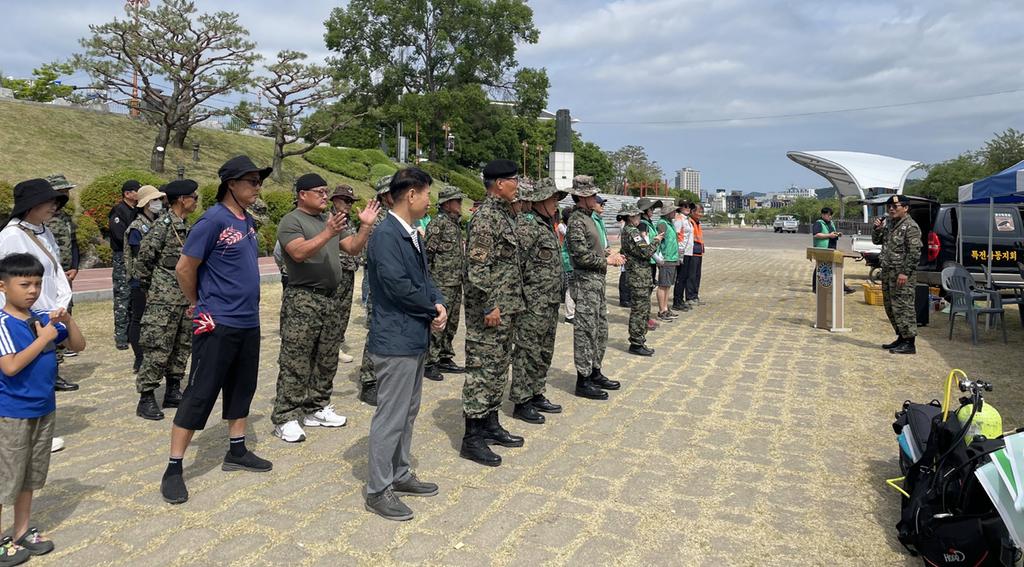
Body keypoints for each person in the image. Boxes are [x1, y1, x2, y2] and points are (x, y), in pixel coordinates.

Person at [160, 156, 273, 505]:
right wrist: (198, 302)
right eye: (251, 181)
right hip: (217, 321)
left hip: (247, 321)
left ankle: (236, 451)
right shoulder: (212, 221)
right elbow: (184, 267)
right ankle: (175, 466)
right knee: (201, 390)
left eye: (258, 181)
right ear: (231, 185)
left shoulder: (247, 221)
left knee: (242, 386)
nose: (257, 187)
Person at [363, 167, 445, 521]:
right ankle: (378, 489)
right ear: (410, 194)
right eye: (427, 193)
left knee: (407, 413)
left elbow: (424, 279)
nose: (430, 201)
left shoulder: (411, 233)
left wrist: (437, 301)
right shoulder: (385, 235)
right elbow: (396, 285)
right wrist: (431, 308)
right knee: (391, 416)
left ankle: (400, 472)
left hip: (413, 336)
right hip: (395, 339)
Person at [270, 174, 377, 443]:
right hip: (303, 298)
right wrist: (328, 232)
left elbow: (351, 248)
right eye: (319, 191)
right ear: (302, 194)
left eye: (326, 191)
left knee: (327, 357)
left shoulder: (326, 220)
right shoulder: (292, 221)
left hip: (331, 298)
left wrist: (364, 227)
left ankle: (316, 407)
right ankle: (286, 416)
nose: (324, 196)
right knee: (296, 359)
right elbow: (297, 253)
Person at [0, 253, 85, 563]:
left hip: (43, 409)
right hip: (11, 414)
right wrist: (44, 339)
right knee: (5, 479)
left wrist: (66, 321)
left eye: (37, 283)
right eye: (24, 284)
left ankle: (21, 531)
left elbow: (77, 346)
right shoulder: (3, 324)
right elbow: (9, 367)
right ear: (3, 287)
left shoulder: (39, 318)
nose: (32, 290)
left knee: (30, 477)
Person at [459, 159, 526, 467]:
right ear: (499, 183)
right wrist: (490, 304)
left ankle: (490, 423)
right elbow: (478, 266)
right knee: (481, 369)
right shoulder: (486, 217)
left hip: (506, 307)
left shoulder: (504, 215)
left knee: (498, 367)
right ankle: (472, 437)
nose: (518, 184)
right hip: (490, 310)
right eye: (515, 180)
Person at [0, 179, 75, 404]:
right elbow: (7, 282)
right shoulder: (12, 236)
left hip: (46, 313)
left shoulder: (43, 231)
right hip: (24, 318)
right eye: (48, 201)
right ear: (31, 205)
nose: (54, 206)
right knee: (25, 373)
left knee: (44, 369)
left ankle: (41, 425)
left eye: (55, 202)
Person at [133, 180, 199, 420]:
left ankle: (173, 389)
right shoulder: (163, 225)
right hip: (163, 299)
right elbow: (144, 261)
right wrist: (152, 289)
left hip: (184, 297)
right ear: (183, 199)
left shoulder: (185, 225)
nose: (196, 201)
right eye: (194, 197)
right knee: (157, 347)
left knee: (182, 346)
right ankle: (147, 397)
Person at [509, 178, 566, 424]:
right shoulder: (527, 226)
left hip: (549, 301)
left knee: (544, 351)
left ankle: (536, 392)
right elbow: (516, 267)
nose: (556, 204)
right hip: (532, 303)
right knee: (527, 351)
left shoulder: (546, 225)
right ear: (540, 201)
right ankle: (521, 401)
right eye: (553, 199)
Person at [566, 175, 622, 400]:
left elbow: (592, 249)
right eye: (591, 195)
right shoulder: (577, 221)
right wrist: (606, 261)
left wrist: (607, 253)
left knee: (600, 330)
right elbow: (580, 256)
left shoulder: (590, 219)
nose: (595, 198)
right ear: (582, 198)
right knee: (585, 332)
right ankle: (583, 379)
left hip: (596, 283)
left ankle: (595, 371)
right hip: (586, 282)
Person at [356, 176, 395, 407]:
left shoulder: (395, 217)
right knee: (376, 330)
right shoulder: (377, 220)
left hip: (393, 284)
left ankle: (383, 377)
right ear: (384, 195)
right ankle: (369, 381)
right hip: (378, 283)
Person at [42, 176, 81, 391]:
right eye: (62, 190)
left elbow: (73, 244)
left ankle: (56, 369)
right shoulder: (42, 220)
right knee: (52, 321)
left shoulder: (65, 217)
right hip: (49, 278)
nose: (66, 194)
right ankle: (52, 373)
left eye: (67, 190)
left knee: (64, 318)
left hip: (66, 277)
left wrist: (75, 266)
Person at [424, 185, 467, 381]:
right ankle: (429, 361)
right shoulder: (438, 224)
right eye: (457, 201)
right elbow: (427, 256)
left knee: (452, 322)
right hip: (440, 283)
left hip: (455, 282)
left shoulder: (455, 224)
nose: (460, 204)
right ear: (447, 204)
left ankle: (444, 356)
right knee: (438, 323)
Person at [872, 195, 922, 355]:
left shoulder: (910, 226)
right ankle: (901, 337)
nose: (891, 209)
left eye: (895, 206)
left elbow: (914, 253)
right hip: (888, 272)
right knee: (891, 307)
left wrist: (905, 273)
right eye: (889, 207)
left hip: (901, 275)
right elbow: (877, 241)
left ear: (906, 208)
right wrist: (877, 228)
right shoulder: (891, 225)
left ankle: (909, 342)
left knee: (903, 307)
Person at [125, 185, 166, 373]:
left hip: (157, 279)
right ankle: (139, 357)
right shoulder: (136, 227)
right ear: (145, 204)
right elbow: (139, 254)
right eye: (154, 200)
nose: (158, 203)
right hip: (140, 279)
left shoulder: (159, 223)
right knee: (138, 318)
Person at [619, 202, 662, 356]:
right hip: (639, 277)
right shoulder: (633, 232)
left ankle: (639, 340)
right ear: (630, 217)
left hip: (638, 275)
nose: (639, 217)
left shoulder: (628, 231)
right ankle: (636, 342)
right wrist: (656, 240)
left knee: (642, 309)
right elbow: (645, 252)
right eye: (636, 215)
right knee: (640, 310)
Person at [109, 180, 140, 351]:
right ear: (127, 194)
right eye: (136, 191)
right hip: (122, 257)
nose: (138, 194)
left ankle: (130, 332)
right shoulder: (118, 211)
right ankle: (121, 336)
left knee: (133, 296)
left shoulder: (136, 211)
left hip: (133, 257)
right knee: (122, 297)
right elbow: (120, 235)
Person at [330, 185, 360, 364]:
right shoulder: (330, 220)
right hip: (336, 271)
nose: (349, 204)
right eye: (346, 200)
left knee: (344, 311)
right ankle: (333, 346)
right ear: (334, 200)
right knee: (334, 310)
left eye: (351, 201)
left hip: (349, 270)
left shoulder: (348, 220)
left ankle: (337, 343)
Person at [811, 207, 854, 294]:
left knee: (836, 266)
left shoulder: (831, 223)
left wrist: (837, 234)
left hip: (831, 247)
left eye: (831, 215)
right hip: (822, 249)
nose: (830, 217)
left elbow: (832, 233)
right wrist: (829, 235)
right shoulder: (818, 223)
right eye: (828, 215)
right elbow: (816, 235)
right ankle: (815, 287)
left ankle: (842, 286)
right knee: (820, 267)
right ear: (823, 214)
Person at [637, 198, 663, 331]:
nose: (652, 211)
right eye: (651, 208)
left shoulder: (648, 222)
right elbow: (645, 243)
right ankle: (643, 319)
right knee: (646, 292)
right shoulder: (643, 224)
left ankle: (646, 317)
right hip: (649, 260)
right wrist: (658, 259)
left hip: (652, 260)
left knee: (649, 289)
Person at [654, 204, 680, 321]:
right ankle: (661, 310)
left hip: (672, 257)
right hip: (666, 257)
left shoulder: (669, 223)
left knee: (668, 285)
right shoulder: (662, 224)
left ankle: (665, 308)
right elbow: (658, 240)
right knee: (663, 285)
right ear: (668, 213)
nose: (675, 213)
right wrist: (658, 257)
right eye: (673, 211)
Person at [672, 200, 694, 311]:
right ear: (680, 207)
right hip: (682, 251)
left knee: (685, 277)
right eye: (685, 206)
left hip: (688, 251)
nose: (688, 208)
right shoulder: (679, 219)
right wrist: (679, 252)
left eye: (689, 206)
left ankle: (680, 299)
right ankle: (677, 301)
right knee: (680, 277)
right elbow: (676, 236)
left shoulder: (687, 220)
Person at [683, 203, 706, 306]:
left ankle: (695, 296)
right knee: (691, 276)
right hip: (692, 252)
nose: (700, 214)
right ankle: (689, 297)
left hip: (698, 252)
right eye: (699, 211)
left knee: (697, 276)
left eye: (702, 212)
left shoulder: (697, 222)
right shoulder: (690, 222)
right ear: (692, 212)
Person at [558, 206, 575, 324]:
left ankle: (572, 313)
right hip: (568, 262)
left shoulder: (571, 229)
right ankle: (569, 315)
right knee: (570, 288)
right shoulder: (566, 229)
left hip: (570, 261)